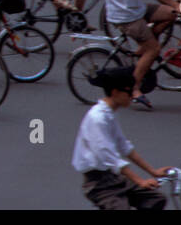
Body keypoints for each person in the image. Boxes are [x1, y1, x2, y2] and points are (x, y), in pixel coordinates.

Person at [72, 66, 169, 210]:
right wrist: (140, 181)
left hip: (115, 178)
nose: (132, 95)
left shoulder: (110, 113)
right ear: (115, 92)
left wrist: (153, 172)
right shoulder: (97, 118)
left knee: (156, 200)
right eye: (129, 91)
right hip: (98, 184)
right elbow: (109, 157)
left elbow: (124, 146)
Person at [105, 0, 179, 106]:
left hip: (136, 8)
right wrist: (175, 3)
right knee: (154, 49)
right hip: (125, 15)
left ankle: (142, 48)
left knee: (172, 14)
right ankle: (134, 88)